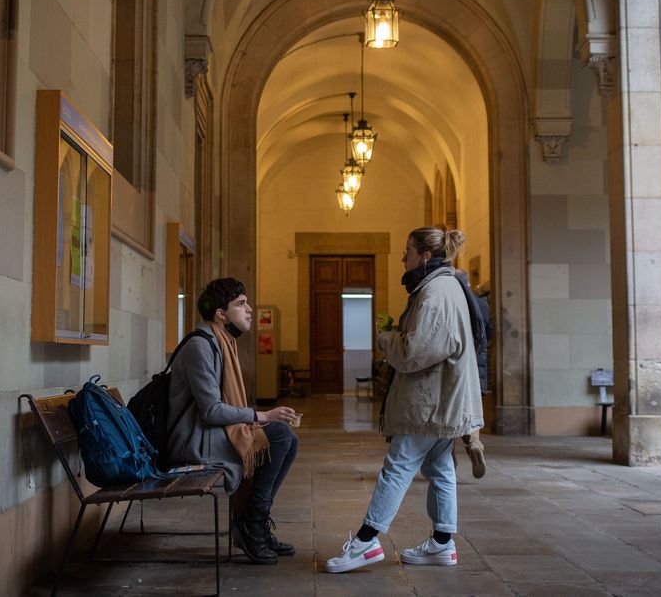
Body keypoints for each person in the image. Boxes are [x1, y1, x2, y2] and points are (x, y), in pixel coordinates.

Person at [325, 227, 484, 574]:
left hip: (430, 402)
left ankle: (366, 542)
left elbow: (414, 352)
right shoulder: (441, 286)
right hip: (443, 400)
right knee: (440, 467)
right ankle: (443, 544)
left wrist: (386, 338)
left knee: (398, 466)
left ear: (425, 256)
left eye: (407, 251)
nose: (402, 257)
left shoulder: (436, 293)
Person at [167, 278, 299, 564]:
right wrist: (260, 415)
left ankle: (254, 520)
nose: (249, 309)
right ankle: (251, 524)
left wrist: (257, 419)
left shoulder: (221, 341)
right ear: (221, 314)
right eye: (241, 304)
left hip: (206, 432)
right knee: (277, 433)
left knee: (287, 438)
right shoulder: (201, 346)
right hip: (191, 439)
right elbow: (212, 411)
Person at [454, 269, 492, 479]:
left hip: (456, 363)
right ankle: (474, 444)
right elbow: (490, 333)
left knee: (448, 413)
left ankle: (449, 460)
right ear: (469, 284)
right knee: (471, 408)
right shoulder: (483, 304)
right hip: (478, 364)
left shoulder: (453, 302)